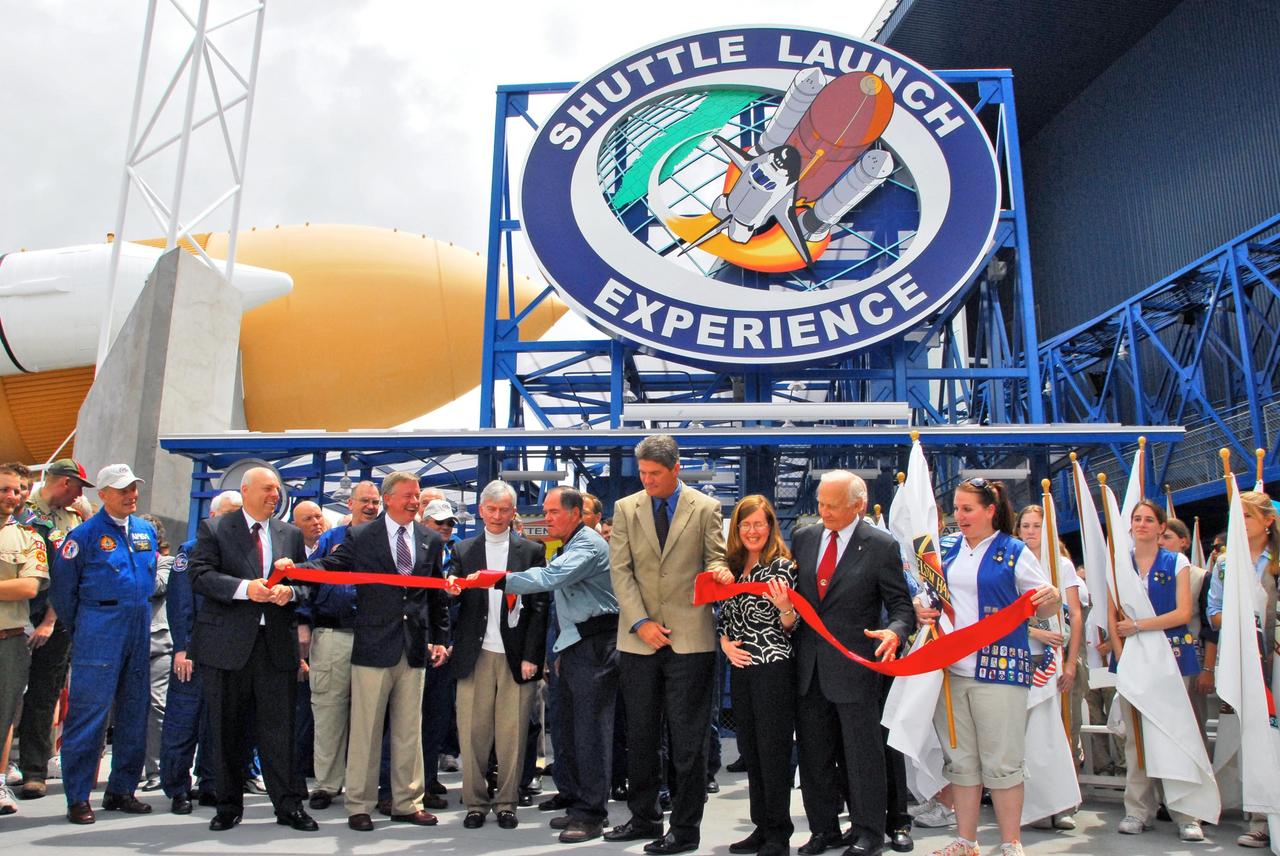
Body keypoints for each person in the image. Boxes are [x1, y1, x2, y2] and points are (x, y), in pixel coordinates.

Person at [282, 470, 448, 832]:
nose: (414, 501)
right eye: (407, 495)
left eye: (416, 494)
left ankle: (408, 802)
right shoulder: (360, 536)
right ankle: (359, 804)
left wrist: (440, 638)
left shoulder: (429, 540)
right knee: (366, 731)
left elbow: (435, 596)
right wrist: (296, 570)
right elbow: (331, 566)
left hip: (414, 647)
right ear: (388, 498)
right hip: (373, 646)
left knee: (409, 731)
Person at [457, 485, 621, 843]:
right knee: (572, 732)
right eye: (545, 511)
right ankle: (579, 803)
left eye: (552, 512)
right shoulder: (572, 544)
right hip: (577, 644)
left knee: (591, 734)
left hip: (596, 646)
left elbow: (550, 579)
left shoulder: (588, 545)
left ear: (575, 514)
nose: (545, 518)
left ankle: (593, 814)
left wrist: (498, 579)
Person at [917, 478, 1059, 856]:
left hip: (999, 669)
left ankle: (1011, 842)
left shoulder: (1013, 551)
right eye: (957, 509)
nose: (960, 516)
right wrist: (921, 608)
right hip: (950, 670)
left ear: (990, 510)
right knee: (960, 761)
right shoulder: (944, 549)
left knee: (1003, 761)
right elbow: (927, 595)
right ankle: (966, 839)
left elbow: (1043, 603)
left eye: (968, 509)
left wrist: (1052, 598)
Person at [606, 435, 728, 855]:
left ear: (676, 469)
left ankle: (685, 829)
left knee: (688, 740)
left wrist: (720, 572)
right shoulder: (626, 508)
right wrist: (640, 622)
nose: (647, 480)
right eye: (642, 473)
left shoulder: (707, 508)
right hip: (639, 640)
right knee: (640, 736)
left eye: (654, 474)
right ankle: (643, 819)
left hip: (691, 639)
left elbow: (715, 558)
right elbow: (620, 571)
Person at [791, 470, 915, 856]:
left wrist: (895, 632)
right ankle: (823, 829)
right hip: (809, 668)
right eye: (820, 504)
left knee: (863, 756)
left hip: (856, 667)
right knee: (814, 756)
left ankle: (869, 832)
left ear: (858, 506)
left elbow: (900, 606)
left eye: (832, 505)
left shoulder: (880, 546)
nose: (823, 512)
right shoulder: (804, 538)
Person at [188, 467, 315, 832]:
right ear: (244, 491)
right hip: (227, 648)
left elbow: (305, 583)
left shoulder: (289, 534)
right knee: (227, 729)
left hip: (275, 648)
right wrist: (246, 589)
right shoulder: (215, 529)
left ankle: (288, 806)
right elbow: (199, 575)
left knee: (281, 731)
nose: (274, 495)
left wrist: (289, 592)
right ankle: (228, 806)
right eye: (267, 489)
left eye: (277, 490)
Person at [50, 464, 159, 825]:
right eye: (122, 489)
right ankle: (78, 795)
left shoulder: (145, 530)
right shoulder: (83, 536)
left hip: (138, 625)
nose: (131, 495)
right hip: (100, 627)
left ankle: (122, 789)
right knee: (89, 714)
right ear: (103, 494)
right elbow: (64, 593)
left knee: (133, 710)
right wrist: (84, 628)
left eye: (133, 488)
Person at [449, 480, 548, 829]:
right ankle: (474, 802)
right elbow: (450, 602)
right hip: (474, 655)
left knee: (513, 734)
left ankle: (507, 802)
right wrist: (452, 588)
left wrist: (533, 655)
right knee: (473, 734)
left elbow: (539, 609)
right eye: (491, 509)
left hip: (516, 655)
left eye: (505, 509)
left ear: (513, 513)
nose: (497, 515)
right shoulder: (462, 551)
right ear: (480, 510)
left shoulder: (531, 552)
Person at [1111, 499, 1204, 842]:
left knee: (1176, 732)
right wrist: (1123, 655)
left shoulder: (1176, 561)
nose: (1142, 524)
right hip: (1136, 657)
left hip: (1172, 655)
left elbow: (1182, 613)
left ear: (1162, 526)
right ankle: (1137, 810)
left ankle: (1185, 812)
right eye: (1137, 518)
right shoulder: (1121, 564)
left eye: (1149, 519)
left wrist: (1139, 625)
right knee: (1136, 740)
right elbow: (1112, 614)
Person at [710, 495, 798, 856]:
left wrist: (786, 608)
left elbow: (791, 626)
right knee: (751, 751)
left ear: (770, 526)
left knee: (773, 751)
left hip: (773, 668)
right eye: (745, 524)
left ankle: (779, 832)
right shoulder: (731, 567)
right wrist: (725, 643)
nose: (752, 530)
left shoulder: (781, 567)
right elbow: (726, 618)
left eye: (758, 523)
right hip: (742, 669)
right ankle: (761, 826)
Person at [159, 490, 239, 815]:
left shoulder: (239, 551)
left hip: (225, 652)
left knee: (217, 723)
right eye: (230, 514)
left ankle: (210, 784)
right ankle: (177, 788)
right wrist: (182, 648)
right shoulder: (190, 552)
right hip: (193, 652)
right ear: (214, 515)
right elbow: (179, 603)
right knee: (183, 720)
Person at [1206, 490, 1277, 850]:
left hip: (1276, 659)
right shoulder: (1223, 563)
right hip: (1250, 664)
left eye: (1247, 517)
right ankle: (1264, 819)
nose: (1241, 524)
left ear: (1268, 521)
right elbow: (1213, 614)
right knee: (1258, 738)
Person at [17, 458, 91, 801]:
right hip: (14, 612)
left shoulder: (73, 519)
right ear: (64, 483)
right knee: (8, 692)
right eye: (78, 487)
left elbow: (68, 576)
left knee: (45, 694)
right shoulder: (20, 507)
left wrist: (49, 621)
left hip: (54, 616)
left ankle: (34, 770)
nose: (79, 495)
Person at [303, 481, 380, 811]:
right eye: (365, 501)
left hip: (374, 637)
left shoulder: (387, 541)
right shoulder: (331, 540)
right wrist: (303, 624)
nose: (371, 506)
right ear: (350, 503)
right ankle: (326, 784)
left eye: (376, 501)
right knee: (329, 711)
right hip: (332, 634)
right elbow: (310, 581)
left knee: (371, 716)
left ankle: (363, 784)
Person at [1014, 504, 1085, 831]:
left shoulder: (1062, 566)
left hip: (1056, 661)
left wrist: (1070, 663)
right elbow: (1001, 616)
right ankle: (1035, 805)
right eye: (1025, 526)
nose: (1030, 531)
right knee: (1027, 735)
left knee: (1058, 733)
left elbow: (1075, 616)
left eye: (1036, 525)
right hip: (1019, 658)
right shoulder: (1011, 564)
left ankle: (1063, 802)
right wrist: (1034, 632)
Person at [0, 464, 49, 816]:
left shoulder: (30, 538)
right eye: (4, 489)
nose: (11, 496)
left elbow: (29, 586)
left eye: (17, 490)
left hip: (9, 640)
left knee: (4, 716)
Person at [1159, 517, 1214, 745]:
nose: (1161, 542)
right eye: (1159, 537)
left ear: (1184, 541)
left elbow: (1210, 626)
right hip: (1161, 658)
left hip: (1192, 658)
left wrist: (1207, 669)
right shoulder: (1155, 577)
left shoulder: (1201, 577)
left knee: (1194, 724)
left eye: (1168, 537)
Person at [139, 514, 174, 793]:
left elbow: (155, 587)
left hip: (158, 642)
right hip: (126, 638)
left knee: (155, 704)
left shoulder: (166, 562)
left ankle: (157, 769)